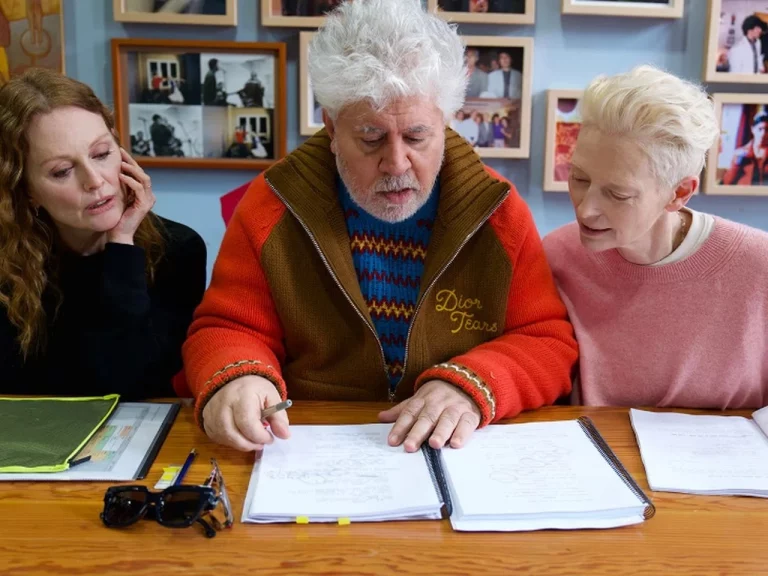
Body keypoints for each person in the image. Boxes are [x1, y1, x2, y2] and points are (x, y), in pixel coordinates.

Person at [182, 0, 577, 453]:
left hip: (451, 447)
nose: (396, 163)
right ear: (332, 128)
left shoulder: (498, 211)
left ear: (446, 122)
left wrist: (472, 384)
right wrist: (239, 376)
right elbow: (227, 327)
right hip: (312, 441)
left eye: (417, 136)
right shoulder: (272, 205)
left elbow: (546, 341)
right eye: (370, 138)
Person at [543, 65, 768, 410]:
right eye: (580, 179)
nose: (585, 210)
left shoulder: (758, 266)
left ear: (679, 193)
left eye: (617, 195)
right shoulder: (556, 256)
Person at [0, 69, 207, 398]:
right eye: (62, 171)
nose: (95, 181)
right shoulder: (7, 262)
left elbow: (133, 383)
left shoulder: (179, 249)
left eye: (101, 154)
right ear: (26, 190)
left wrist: (122, 246)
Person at [722, 110, 768, 186]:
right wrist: (737, 164)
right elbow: (727, 182)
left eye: (767, 130)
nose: (763, 134)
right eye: (760, 129)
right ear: (753, 129)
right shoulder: (740, 154)